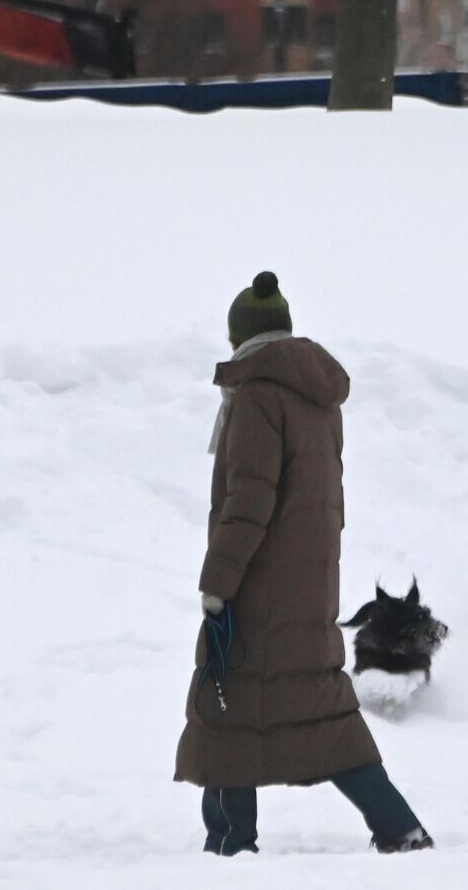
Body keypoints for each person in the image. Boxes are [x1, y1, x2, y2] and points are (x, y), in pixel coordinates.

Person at [174, 271, 432, 856]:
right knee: (322, 715)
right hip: (310, 587)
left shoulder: (258, 395)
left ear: (241, 337)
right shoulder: (315, 399)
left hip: (259, 588)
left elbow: (249, 503)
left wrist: (218, 585)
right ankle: (398, 826)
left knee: (226, 705)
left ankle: (230, 845)